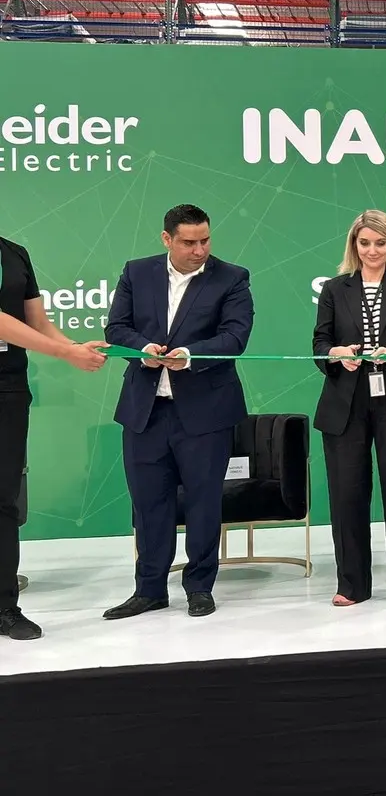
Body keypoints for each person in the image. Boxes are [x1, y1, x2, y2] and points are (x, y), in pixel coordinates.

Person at [103, 204, 254, 619]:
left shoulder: (232, 277)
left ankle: (200, 587)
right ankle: (149, 589)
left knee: (205, 502)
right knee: (149, 503)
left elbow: (235, 337)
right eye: (189, 242)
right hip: (145, 412)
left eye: (205, 239)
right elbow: (116, 329)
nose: (200, 249)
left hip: (206, 413)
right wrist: (143, 351)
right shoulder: (137, 272)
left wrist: (190, 355)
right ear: (167, 239)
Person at [312, 210, 386, 606]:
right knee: (346, 495)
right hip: (346, 401)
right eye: (365, 243)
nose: (373, 250)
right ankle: (352, 585)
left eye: (381, 243)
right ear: (354, 245)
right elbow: (318, 345)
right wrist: (336, 354)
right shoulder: (334, 288)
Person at [0, 236, 108, 640]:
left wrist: (74, 346)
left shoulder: (13, 253)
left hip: (8, 389)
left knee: (5, 501)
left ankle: (5, 608)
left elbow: (36, 322)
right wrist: (63, 355)